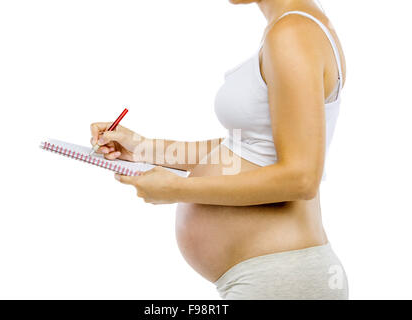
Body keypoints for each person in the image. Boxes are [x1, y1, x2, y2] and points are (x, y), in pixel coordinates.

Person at [90, 0, 348, 299]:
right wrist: (143, 148)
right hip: (271, 276)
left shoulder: (293, 33)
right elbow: (250, 149)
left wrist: (176, 190)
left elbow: (301, 179)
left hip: (279, 279)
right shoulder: (294, 28)